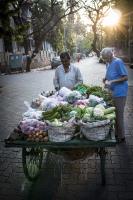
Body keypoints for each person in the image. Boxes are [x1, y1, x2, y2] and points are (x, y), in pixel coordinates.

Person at [101, 47, 128, 143]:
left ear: (110, 55)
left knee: (119, 115)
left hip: (120, 93)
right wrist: (105, 78)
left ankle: (122, 137)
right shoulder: (109, 63)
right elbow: (109, 74)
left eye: (106, 58)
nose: (105, 60)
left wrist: (112, 81)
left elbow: (125, 77)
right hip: (112, 91)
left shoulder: (118, 62)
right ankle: (116, 134)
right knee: (114, 115)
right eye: (104, 58)